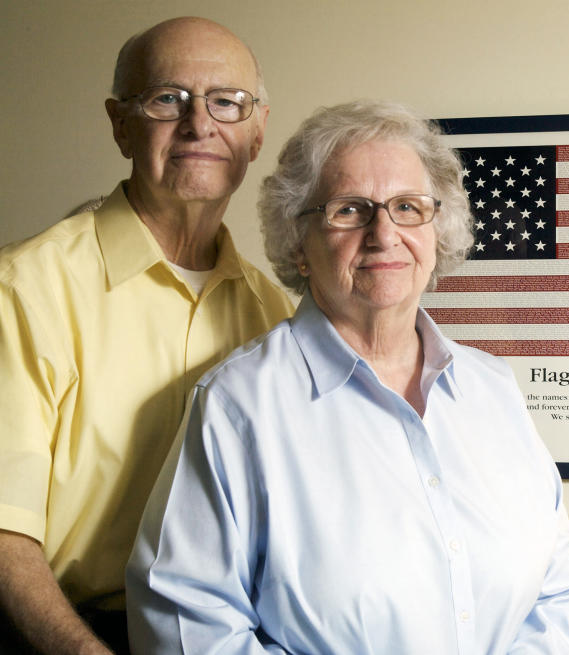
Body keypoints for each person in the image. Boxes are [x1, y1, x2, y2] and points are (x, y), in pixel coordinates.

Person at [126, 99, 569, 654]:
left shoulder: (492, 388)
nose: (384, 233)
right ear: (299, 243)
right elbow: (188, 631)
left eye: (408, 207)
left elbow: (560, 590)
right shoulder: (238, 406)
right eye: (350, 210)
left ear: (437, 231)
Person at [0, 17, 293, 654]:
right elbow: (4, 535)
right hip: (58, 633)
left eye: (227, 102)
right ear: (119, 124)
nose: (200, 124)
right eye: (167, 98)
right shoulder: (22, 289)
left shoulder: (279, 317)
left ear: (258, 130)